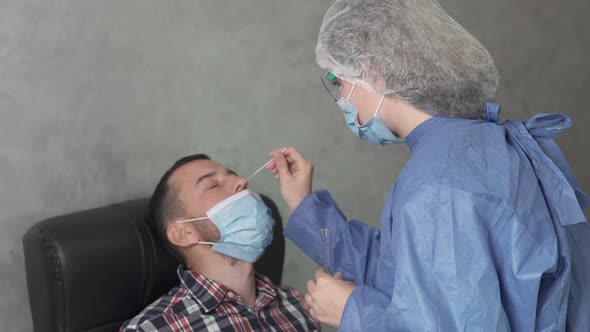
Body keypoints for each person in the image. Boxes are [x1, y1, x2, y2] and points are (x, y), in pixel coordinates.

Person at [265, 0, 590, 331]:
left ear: (373, 71)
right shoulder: (486, 148)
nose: (343, 97)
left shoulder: (437, 186)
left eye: (339, 79)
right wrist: (303, 203)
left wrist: (353, 311)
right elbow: (403, 268)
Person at [120, 154, 319, 332]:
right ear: (183, 233)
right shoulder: (153, 328)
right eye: (213, 185)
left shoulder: (297, 303)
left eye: (234, 175)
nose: (241, 181)